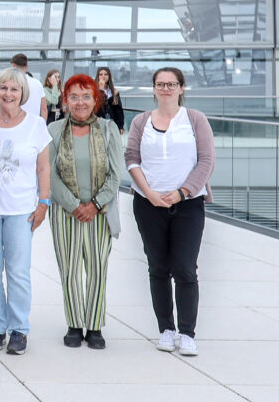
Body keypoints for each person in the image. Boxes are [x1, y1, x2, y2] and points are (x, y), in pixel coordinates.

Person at [126, 68, 215, 356]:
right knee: (158, 267)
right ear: (153, 89)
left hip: (188, 205)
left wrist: (182, 192)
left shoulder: (195, 119)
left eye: (171, 84)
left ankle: (187, 332)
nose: (165, 88)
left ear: (181, 88)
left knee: (185, 269)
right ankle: (166, 329)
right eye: (160, 84)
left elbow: (206, 161)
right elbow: (131, 158)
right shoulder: (141, 121)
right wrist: (149, 193)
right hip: (148, 204)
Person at [0, 68, 51, 356]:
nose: (8, 94)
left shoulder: (35, 125)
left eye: (14, 90)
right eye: (4, 88)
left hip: (22, 210)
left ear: (23, 94)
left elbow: (43, 168)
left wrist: (43, 202)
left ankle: (19, 328)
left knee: (18, 272)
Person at [48, 73, 124, 350]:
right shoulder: (54, 130)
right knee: (69, 270)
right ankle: (74, 324)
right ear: (65, 101)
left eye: (86, 96)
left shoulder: (108, 129)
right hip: (64, 212)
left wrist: (93, 205)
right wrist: (73, 204)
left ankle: (94, 326)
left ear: (96, 100)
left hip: (99, 213)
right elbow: (49, 174)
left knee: (96, 270)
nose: (80, 102)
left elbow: (116, 175)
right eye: (74, 97)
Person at [10, 54, 47, 121]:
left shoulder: (10, 83)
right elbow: (44, 109)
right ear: (26, 66)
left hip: (16, 124)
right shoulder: (37, 83)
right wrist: (43, 125)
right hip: (34, 124)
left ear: (13, 66)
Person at [96, 66, 125, 133]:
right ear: (98, 76)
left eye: (106, 74)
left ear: (109, 76)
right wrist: (101, 89)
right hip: (98, 125)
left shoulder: (114, 92)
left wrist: (120, 126)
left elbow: (118, 110)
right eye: (100, 74)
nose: (103, 76)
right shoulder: (93, 91)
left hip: (111, 124)